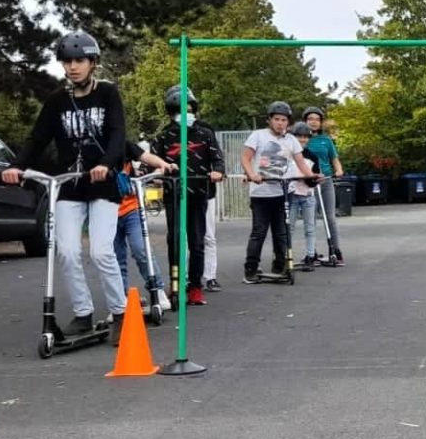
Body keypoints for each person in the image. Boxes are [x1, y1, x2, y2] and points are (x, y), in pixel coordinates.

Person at [1, 31, 129, 341]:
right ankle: (83, 314)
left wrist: (106, 164)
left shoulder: (108, 94)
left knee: (101, 252)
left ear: (92, 63)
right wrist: (16, 165)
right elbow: (37, 138)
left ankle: (121, 313)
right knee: (67, 252)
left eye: (79, 61)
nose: (72, 67)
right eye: (67, 62)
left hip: (102, 184)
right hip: (69, 185)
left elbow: (117, 135)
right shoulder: (57, 101)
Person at [153, 85, 225, 307]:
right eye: (181, 109)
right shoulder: (164, 136)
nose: (187, 114)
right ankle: (176, 285)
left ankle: (195, 287)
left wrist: (217, 172)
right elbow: (154, 162)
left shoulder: (205, 134)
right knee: (174, 239)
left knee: (197, 240)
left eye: (190, 108)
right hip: (174, 194)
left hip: (199, 193)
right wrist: (156, 174)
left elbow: (218, 159)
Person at [241, 101, 317, 281]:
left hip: (282, 192)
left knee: (281, 231)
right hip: (261, 193)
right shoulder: (258, 136)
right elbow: (245, 158)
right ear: (269, 120)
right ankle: (250, 269)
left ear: (288, 122)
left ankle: (280, 265)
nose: (280, 123)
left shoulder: (290, 140)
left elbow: (300, 162)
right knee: (259, 231)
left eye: (283, 120)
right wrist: (252, 174)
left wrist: (312, 176)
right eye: (276, 119)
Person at [114, 140, 171, 309]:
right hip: (107, 211)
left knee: (141, 249)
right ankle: (121, 297)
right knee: (115, 257)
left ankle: (157, 289)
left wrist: (163, 164)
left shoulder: (123, 144)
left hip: (131, 207)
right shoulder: (92, 149)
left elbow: (145, 156)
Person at [301, 107, 345, 264]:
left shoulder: (326, 140)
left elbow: (334, 158)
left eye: (316, 119)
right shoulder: (300, 139)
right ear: (305, 121)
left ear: (320, 122)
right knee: (310, 218)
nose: (313, 121)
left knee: (330, 217)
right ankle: (311, 252)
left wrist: (339, 169)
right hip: (308, 183)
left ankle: (336, 251)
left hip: (325, 180)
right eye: (310, 118)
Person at [288, 121, 321, 267]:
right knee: (290, 227)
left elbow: (314, 178)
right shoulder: (288, 155)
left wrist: (312, 179)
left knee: (310, 227)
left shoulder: (312, 156)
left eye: (305, 137)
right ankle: (286, 255)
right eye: (299, 137)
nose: (302, 140)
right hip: (292, 194)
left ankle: (310, 255)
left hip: (307, 194)